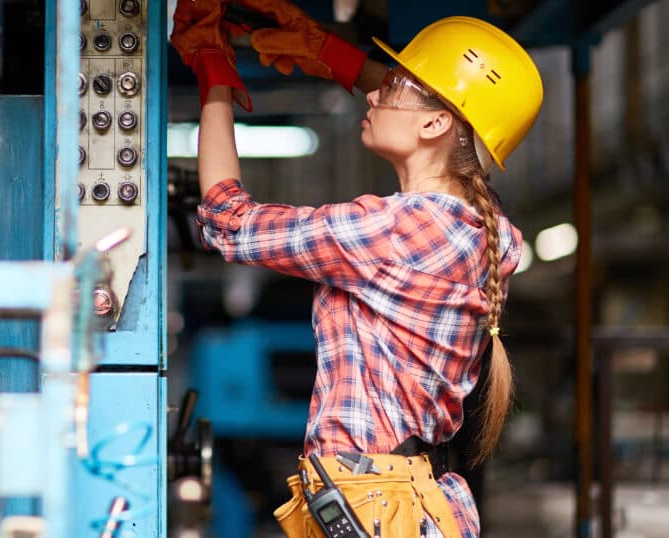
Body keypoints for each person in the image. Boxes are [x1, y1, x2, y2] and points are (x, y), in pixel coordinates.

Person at [170, 1, 543, 536]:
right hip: (404, 499)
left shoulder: (392, 231)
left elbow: (229, 222)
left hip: (372, 501)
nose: (374, 93)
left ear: (437, 122)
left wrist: (213, 73)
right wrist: (329, 56)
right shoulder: (487, 234)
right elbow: (433, 108)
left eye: (391, 89)